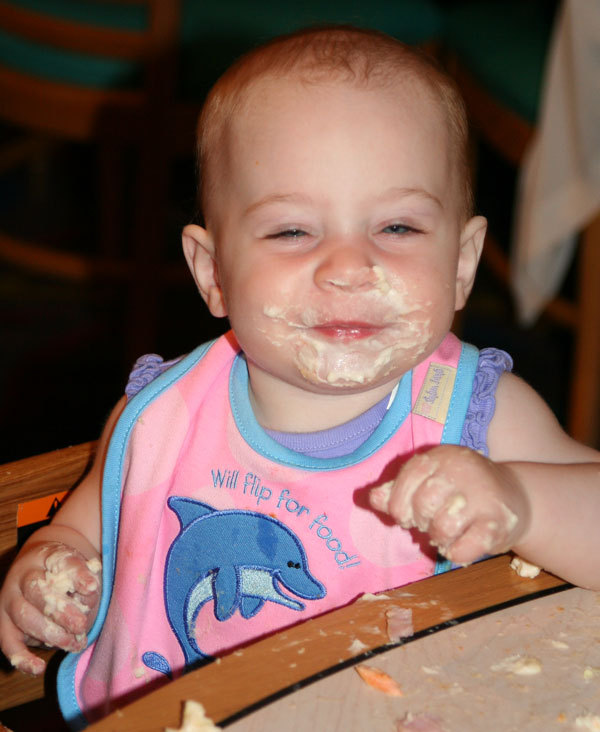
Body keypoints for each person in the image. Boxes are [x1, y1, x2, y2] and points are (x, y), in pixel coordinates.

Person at [1, 25, 599, 727]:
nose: (348, 267)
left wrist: (520, 499)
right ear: (213, 272)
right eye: (292, 231)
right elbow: (92, 528)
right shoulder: (166, 416)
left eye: (398, 228)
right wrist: (52, 568)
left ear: (462, 263)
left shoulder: (477, 419)